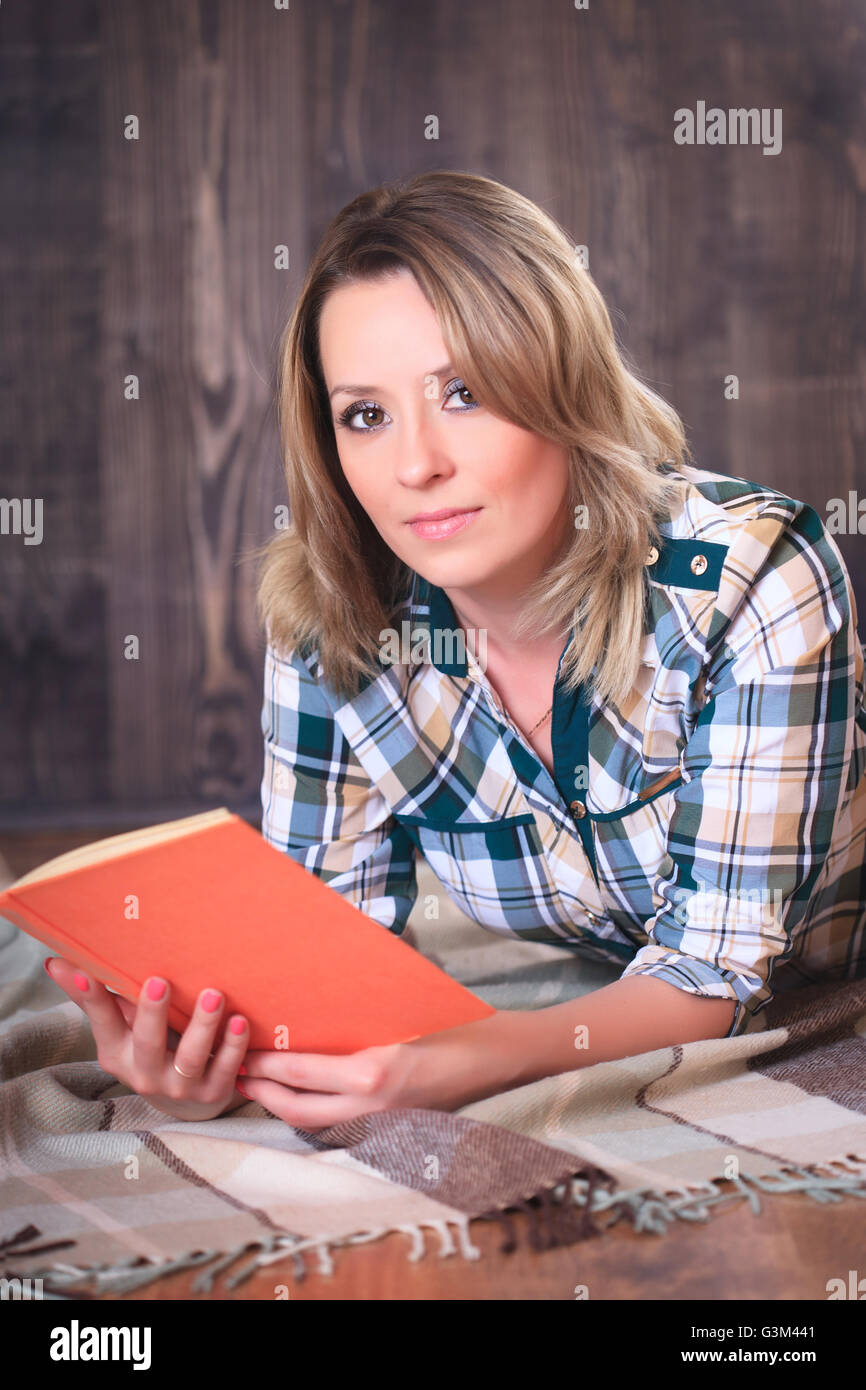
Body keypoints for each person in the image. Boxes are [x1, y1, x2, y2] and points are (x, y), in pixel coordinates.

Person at [46, 171, 866, 1133]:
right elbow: (321, 955)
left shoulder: (748, 572)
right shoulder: (332, 615)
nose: (414, 464)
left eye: (464, 392)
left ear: (564, 383)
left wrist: (472, 1060)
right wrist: (224, 1055)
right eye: (367, 414)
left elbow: (719, 969)